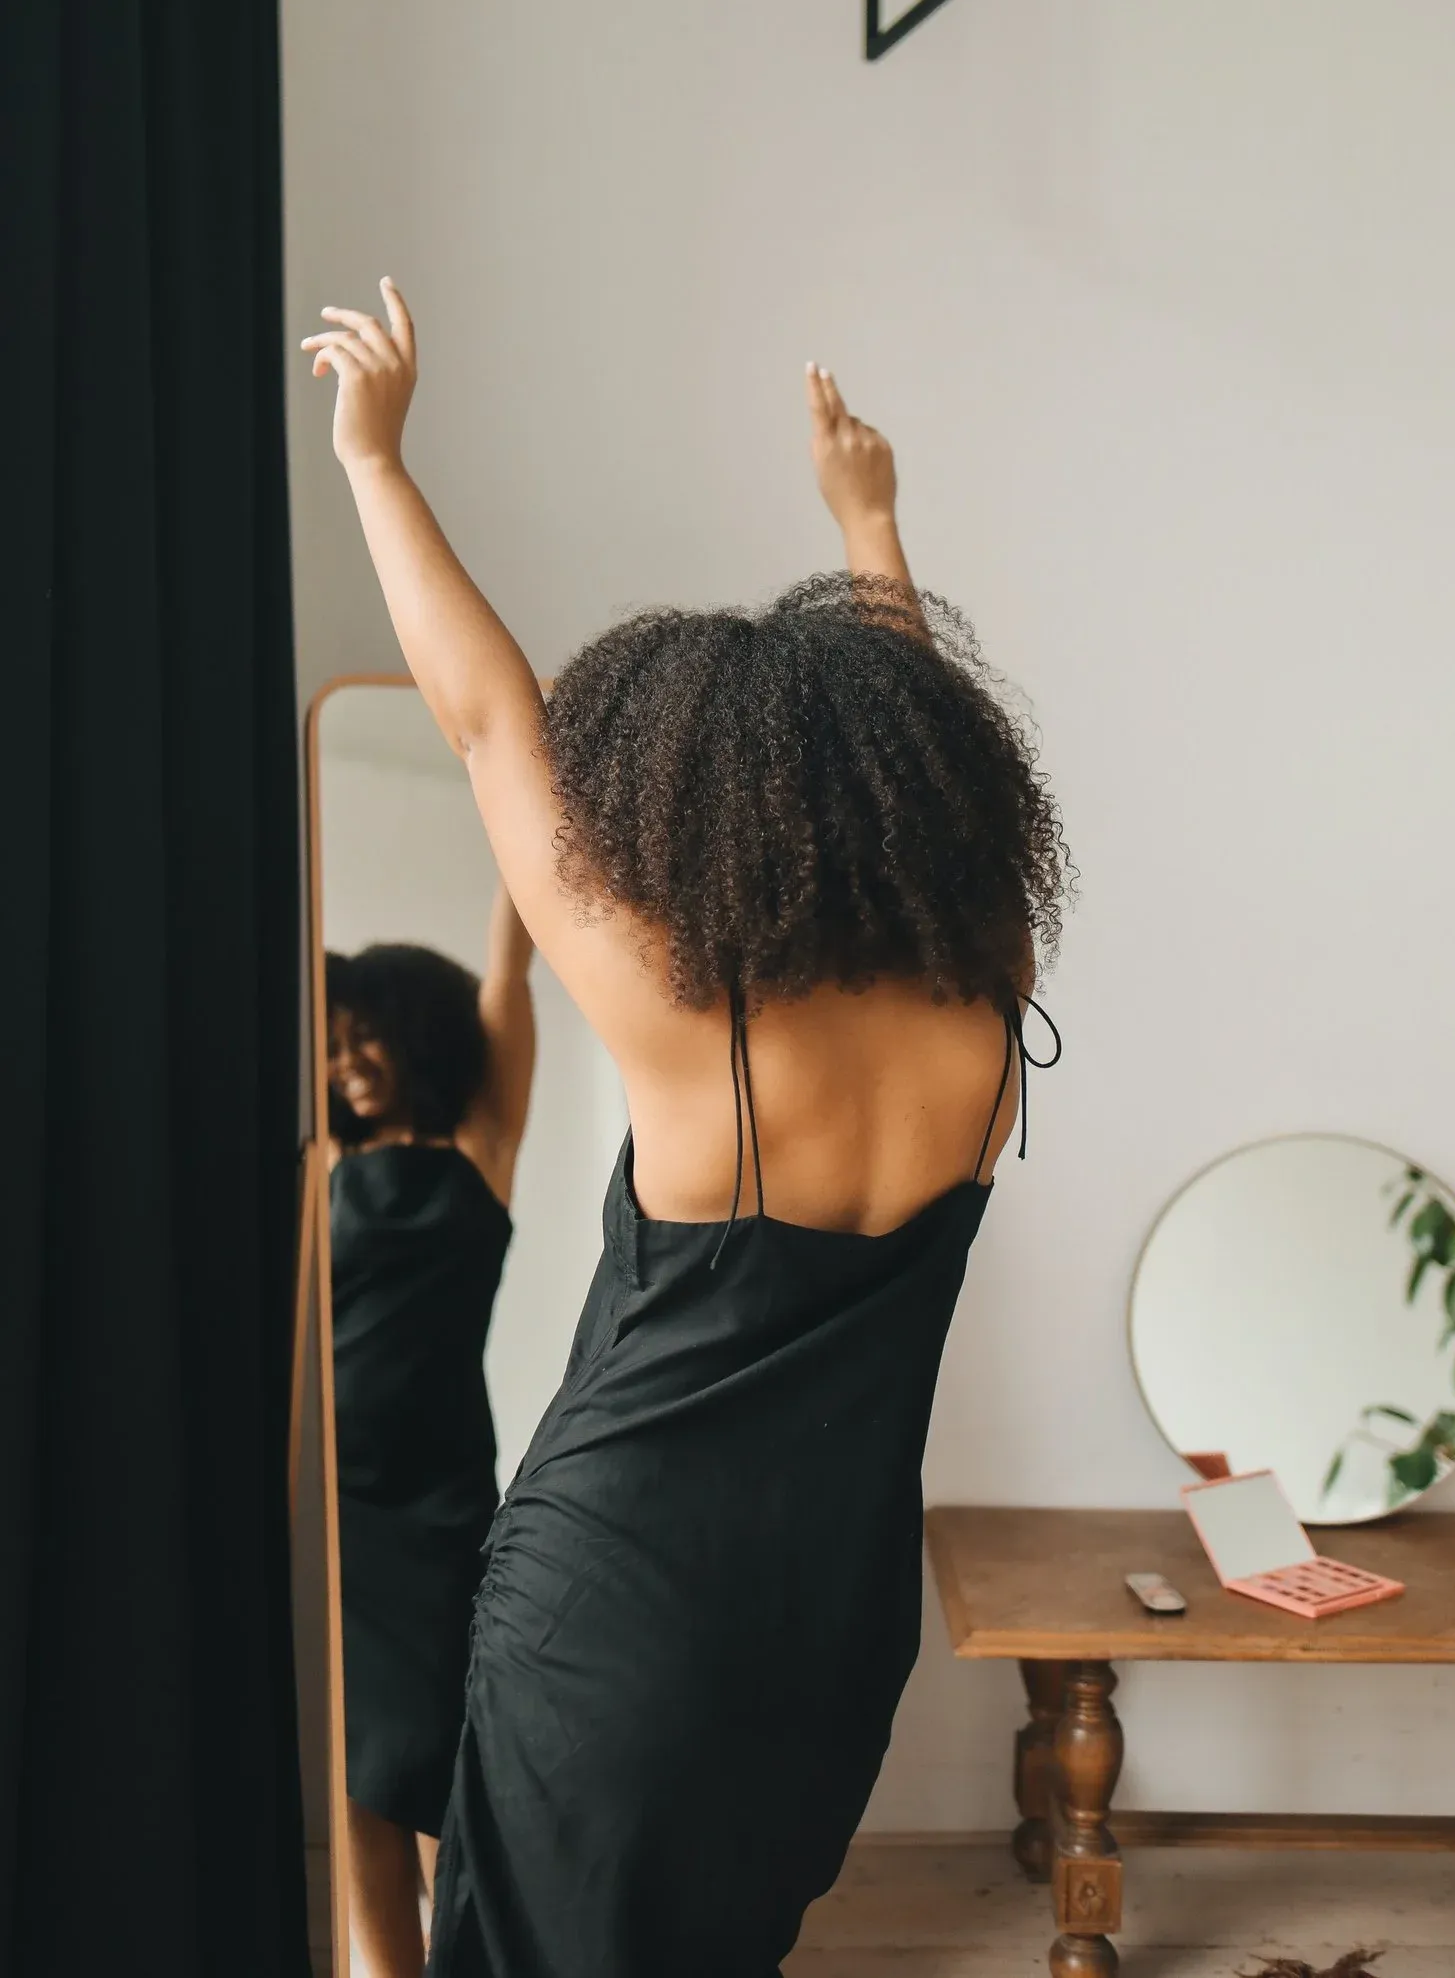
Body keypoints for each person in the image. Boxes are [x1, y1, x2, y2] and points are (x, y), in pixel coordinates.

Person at [302, 283, 1067, 1978]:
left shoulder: (686, 1015)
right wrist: (874, 528)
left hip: (621, 1606)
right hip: (829, 1623)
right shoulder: (988, 1013)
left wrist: (376, 463)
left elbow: (494, 717)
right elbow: (955, 820)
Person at [326, 885, 535, 1978]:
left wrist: (525, 839)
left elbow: (509, 979)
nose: (350, 1060)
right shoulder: (321, 1168)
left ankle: (472, 1954)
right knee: (363, 1768)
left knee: (445, 1759)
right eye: (336, 1043)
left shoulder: (478, 1149)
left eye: (369, 1036)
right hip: (332, 1504)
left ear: (420, 1034)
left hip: (441, 1497)